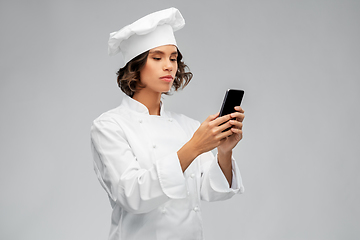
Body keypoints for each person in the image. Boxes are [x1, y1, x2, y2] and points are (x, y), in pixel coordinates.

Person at [90, 7, 245, 240]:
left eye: (173, 58)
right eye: (157, 57)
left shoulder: (188, 127)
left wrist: (224, 151)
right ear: (136, 65)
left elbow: (212, 190)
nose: (169, 66)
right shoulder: (110, 126)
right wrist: (194, 147)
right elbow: (132, 195)